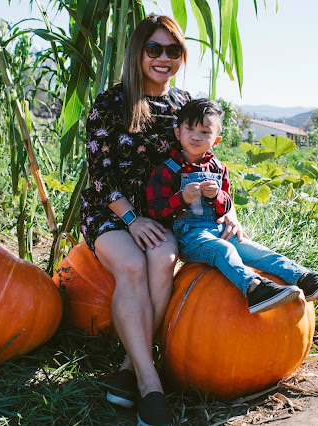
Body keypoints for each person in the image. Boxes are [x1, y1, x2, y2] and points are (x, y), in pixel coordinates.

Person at [79, 14, 223, 426]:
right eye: (154, 48)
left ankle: (129, 364)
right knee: (131, 264)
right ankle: (149, 382)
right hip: (110, 209)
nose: (164, 57)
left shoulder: (183, 105)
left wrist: (226, 210)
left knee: (161, 259)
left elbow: (206, 160)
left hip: (162, 211)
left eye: (173, 50)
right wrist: (131, 218)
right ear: (138, 51)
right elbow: (100, 173)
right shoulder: (112, 102)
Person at [146, 98, 318, 314]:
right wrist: (181, 199)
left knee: (256, 251)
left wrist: (217, 196)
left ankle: (304, 278)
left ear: (216, 140)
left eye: (205, 132)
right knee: (223, 250)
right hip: (190, 237)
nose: (196, 136)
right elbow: (155, 210)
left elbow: (226, 205)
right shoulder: (167, 170)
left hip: (220, 230)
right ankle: (255, 288)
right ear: (177, 132)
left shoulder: (219, 169)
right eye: (189, 129)